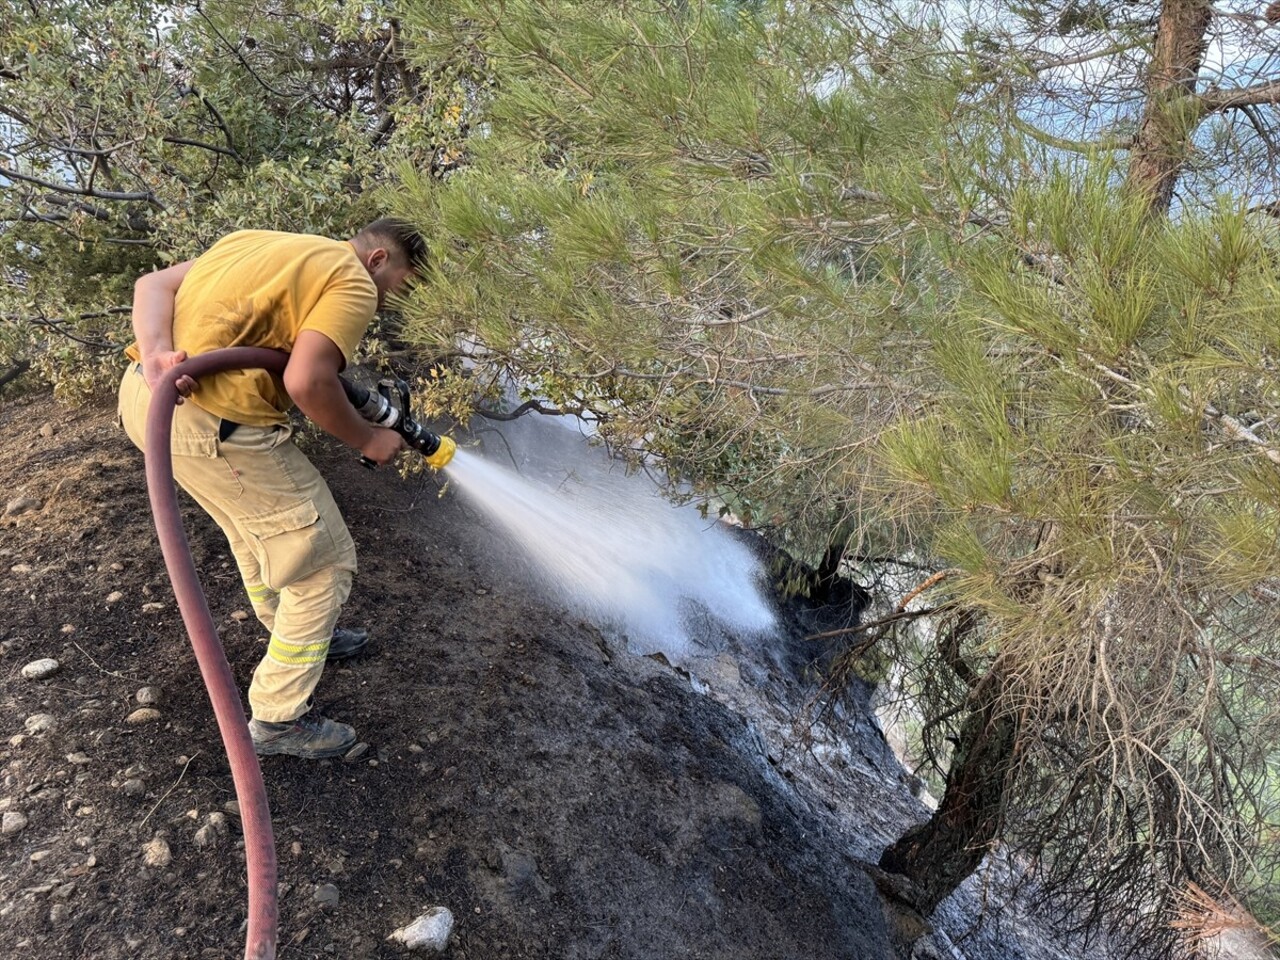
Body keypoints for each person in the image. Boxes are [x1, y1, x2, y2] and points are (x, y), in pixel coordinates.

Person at [118, 220, 426, 759]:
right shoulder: (353, 280)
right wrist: (368, 440)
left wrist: (156, 355)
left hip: (148, 404)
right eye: (404, 285)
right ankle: (279, 718)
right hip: (213, 425)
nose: (395, 301)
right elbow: (306, 381)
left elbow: (152, 285)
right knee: (323, 560)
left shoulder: (263, 241)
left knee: (251, 528)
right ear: (378, 260)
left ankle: (303, 635)